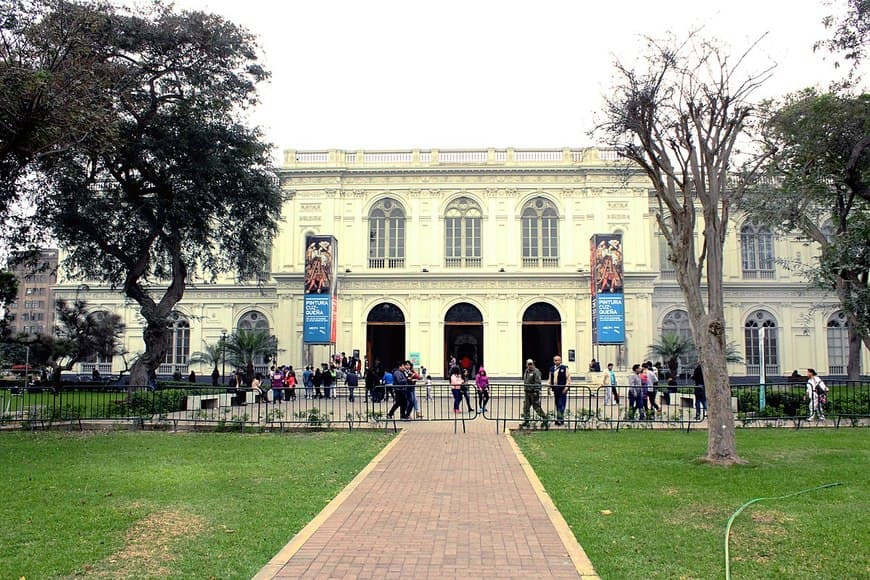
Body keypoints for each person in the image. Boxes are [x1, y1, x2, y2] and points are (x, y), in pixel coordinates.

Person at [520, 359, 548, 427]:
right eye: (528, 364)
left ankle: (545, 419)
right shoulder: (526, 371)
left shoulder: (536, 371)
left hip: (533, 392)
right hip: (527, 392)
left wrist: (536, 390)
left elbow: (538, 382)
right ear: (526, 364)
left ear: (533, 364)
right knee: (526, 407)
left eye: (531, 364)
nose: (530, 365)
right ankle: (526, 421)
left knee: (536, 407)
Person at [549, 354, 570, 426]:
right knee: (557, 404)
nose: (557, 361)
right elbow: (550, 378)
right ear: (553, 361)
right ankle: (560, 419)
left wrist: (566, 387)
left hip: (562, 389)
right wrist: (549, 387)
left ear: (560, 361)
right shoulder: (552, 369)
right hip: (555, 389)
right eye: (555, 360)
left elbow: (568, 378)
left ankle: (560, 419)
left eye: (558, 360)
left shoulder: (564, 368)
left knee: (562, 404)